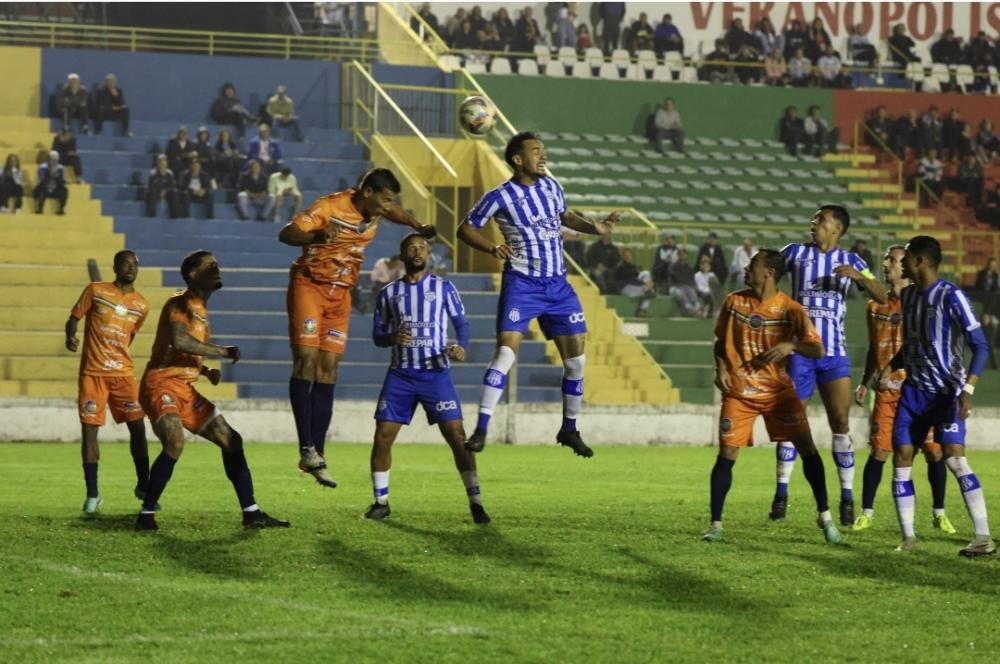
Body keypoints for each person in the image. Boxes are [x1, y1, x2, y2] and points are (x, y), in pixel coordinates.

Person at [458, 132, 619, 457]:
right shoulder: (499, 196)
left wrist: (595, 228)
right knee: (505, 354)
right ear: (518, 159)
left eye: (543, 151)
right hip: (522, 285)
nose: (542, 156)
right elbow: (465, 228)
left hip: (558, 286)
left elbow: (565, 216)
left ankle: (569, 429)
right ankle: (481, 428)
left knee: (576, 362)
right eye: (536, 151)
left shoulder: (551, 186)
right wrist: (492, 247)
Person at [278, 168, 435, 487]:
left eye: (390, 201)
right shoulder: (329, 207)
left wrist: (417, 225)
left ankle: (317, 454)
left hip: (341, 295)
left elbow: (395, 212)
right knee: (306, 361)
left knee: (328, 369)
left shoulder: (377, 208)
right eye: (385, 200)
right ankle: (306, 446)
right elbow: (288, 234)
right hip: (310, 286)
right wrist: (318, 236)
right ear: (368, 193)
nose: (387, 207)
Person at [135, 250, 288, 531]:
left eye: (217, 264)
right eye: (210, 265)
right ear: (194, 275)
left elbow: (179, 350)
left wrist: (205, 370)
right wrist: (222, 351)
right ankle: (146, 515)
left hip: (184, 388)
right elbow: (179, 341)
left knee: (232, 441)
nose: (217, 268)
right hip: (160, 385)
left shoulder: (200, 311)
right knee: (175, 441)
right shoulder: (180, 303)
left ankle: (251, 513)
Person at [703, 249, 842, 545]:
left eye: (752, 264)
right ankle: (715, 525)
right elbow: (719, 341)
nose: (746, 268)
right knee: (726, 455)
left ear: (768, 272)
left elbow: (817, 349)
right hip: (740, 391)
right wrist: (721, 368)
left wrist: (792, 346)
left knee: (808, 449)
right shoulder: (734, 301)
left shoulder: (791, 309)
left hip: (778, 392)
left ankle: (825, 517)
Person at [771, 206, 888, 526]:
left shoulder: (852, 260)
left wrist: (860, 277)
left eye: (820, 220)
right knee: (793, 421)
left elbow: (882, 294)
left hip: (834, 354)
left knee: (840, 421)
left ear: (837, 228)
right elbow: (768, 273)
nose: (814, 223)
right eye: (814, 219)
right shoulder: (795, 253)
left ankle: (846, 497)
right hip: (800, 352)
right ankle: (781, 493)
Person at [366, 233, 490, 524]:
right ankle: (381, 502)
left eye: (422, 247)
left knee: (457, 437)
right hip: (401, 375)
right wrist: (391, 337)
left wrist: (461, 346)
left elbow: (462, 323)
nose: (417, 251)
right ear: (402, 254)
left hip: (435, 373)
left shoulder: (444, 287)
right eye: (411, 247)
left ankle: (476, 503)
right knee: (382, 437)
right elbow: (377, 335)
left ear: (429, 253)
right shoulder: (388, 292)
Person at [889, 236, 993, 556]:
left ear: (920, 260)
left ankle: (983, 537)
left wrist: (968, 390)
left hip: (946, 394)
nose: (902, 262)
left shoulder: (951, 295)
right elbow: (912, 344)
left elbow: (980, 346)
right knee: (901, 457)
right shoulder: (908, 295)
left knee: (954, 459)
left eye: (906, 257)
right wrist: (889, 368)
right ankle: (908, 539)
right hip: (913, 394)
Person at [852, 245, 954, 534]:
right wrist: (865, 381)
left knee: (934, 452)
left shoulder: (920, 302)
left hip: (919, 389)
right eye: (886, 259)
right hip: (886, 391)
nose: (886, 264)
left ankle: (939, 513)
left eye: (893, 260)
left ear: (906, 266)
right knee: (879, 451)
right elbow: (874, 348)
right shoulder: (874, 306)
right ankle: (866, 513)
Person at [65, 250, 151, 514]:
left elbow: (128, 338)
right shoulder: (96, 290)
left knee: (138, 428)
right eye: (125, 263)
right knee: (90, 431)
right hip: (93, 374)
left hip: (123, 374)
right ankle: (92, 494)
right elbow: (74, 318)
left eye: (135, 264)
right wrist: (71, 337)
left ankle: (144, 486)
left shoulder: (142, 305)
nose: (131, 267)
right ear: (115, 266)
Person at [612, 248, 654, 317]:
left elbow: (637, 278)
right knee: (648, 292)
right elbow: (631, 280)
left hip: (633, 287)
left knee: (646, 273)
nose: (627, 257)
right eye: (626, 255)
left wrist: (647, 283)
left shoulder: (632, 266)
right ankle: (642, 310)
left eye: (629, 255)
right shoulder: (621, 266)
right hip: (625, 288)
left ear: (632, 256)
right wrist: (645, 284)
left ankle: (642, 309)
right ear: (622, 256)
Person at [145, 154, 180, 219]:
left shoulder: (170, 173)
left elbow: (173, 186)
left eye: (164, 163)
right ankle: (152, 217)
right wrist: (160, 192)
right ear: (158, 164)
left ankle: (175, 217)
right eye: (161, 163)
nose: (162, 165)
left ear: (166, 164)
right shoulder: (153, 173)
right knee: (152, 194)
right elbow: (151, 186)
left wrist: (165, 191)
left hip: (167, 193)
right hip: (156, 193)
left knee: (174, 194)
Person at [34, 150, 68, 215]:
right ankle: (39, 208)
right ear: (48, 160)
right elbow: (42, 181)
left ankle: (61, 209)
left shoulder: (61, 168)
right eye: (52, 160)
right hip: (44, 188)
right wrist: (50, 173)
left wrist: (56, 175)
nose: (54, 162)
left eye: (55, 160)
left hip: (55, 189)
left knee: (65, 190)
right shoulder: (43, 167)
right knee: (42, 189)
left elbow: (63, 183)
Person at [669, 249, 701, 317]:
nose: (682, 256)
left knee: (693, 293)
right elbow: (676, 278)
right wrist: (685, 282)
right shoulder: (673, 266)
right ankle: (695, 311)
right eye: (680, 254)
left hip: (686, 287)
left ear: (686, 256)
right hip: (675, 287)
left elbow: (691, 279)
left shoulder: (688, 267)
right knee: (682, 296)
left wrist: (692, 286)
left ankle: (697, 310)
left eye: (683, 255)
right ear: (678, 255)